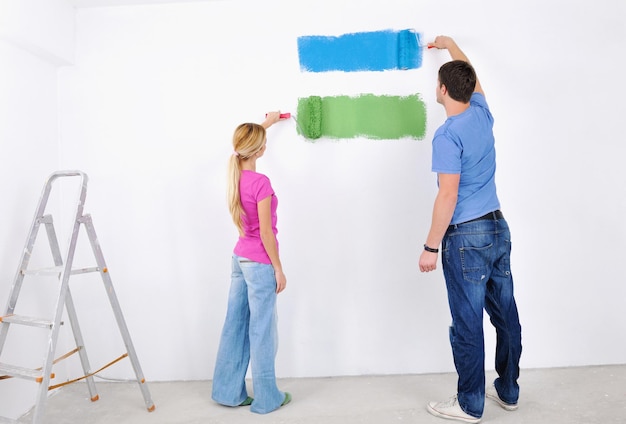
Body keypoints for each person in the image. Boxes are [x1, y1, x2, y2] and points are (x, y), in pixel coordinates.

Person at [419, 36, 522, 423]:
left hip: (466, 237)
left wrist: (430, 247)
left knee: (467, 322)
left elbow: (447, 196)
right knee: (505, 314)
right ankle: (508, 391)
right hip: (498, 227)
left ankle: (469, 404)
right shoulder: (481, 112)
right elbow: (473, 78)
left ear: (442, 89)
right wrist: (451, 45)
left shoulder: (447, 135)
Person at [212, 111, 292, 414]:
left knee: (235, 326)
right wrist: (278, 268)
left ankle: (227, 392)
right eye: (264, 143)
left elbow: (247, 141)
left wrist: (267, 123)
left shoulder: (236, 175)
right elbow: (267, 234)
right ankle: (267, 398)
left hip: (239, 257)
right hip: (259, 262)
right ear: (259, 150)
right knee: (262, 331)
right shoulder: (260, 182)